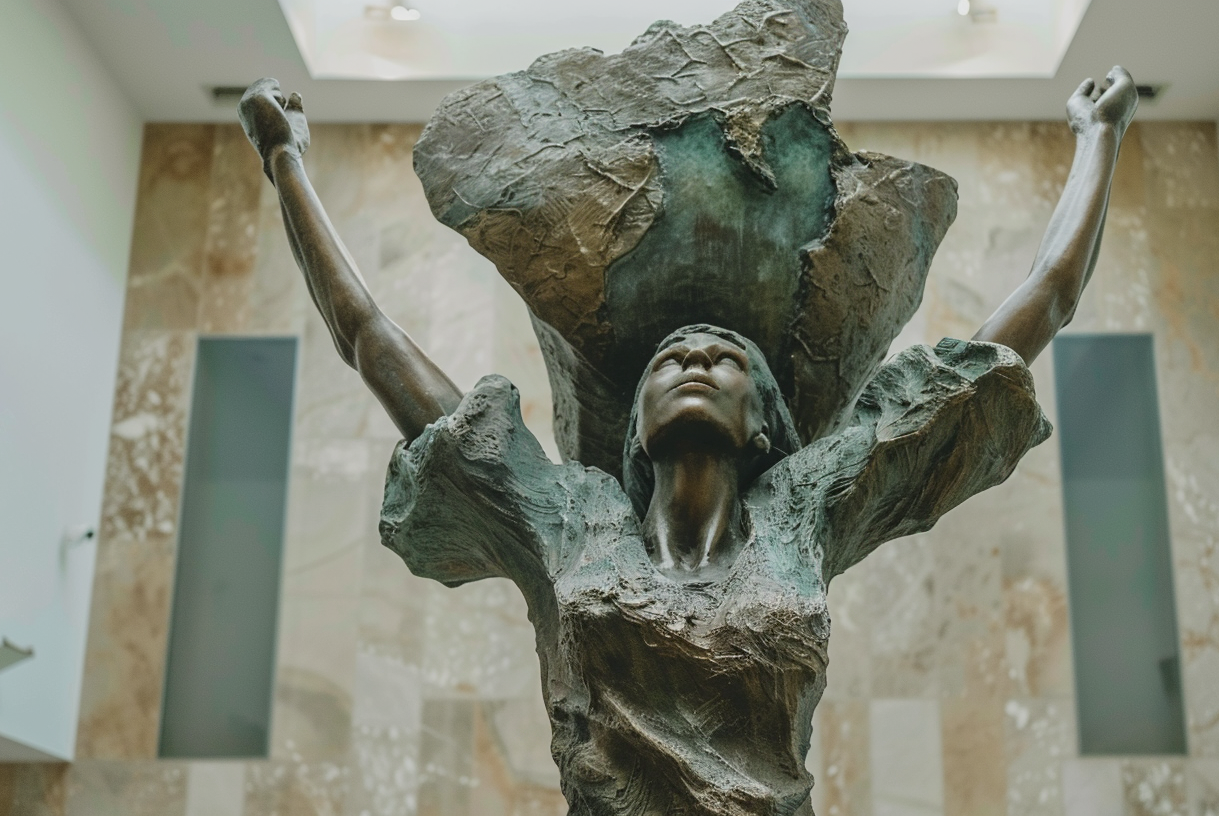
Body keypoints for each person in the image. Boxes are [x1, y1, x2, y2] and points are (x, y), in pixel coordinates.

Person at [239, 65, 1139, 816]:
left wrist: (1098, 136)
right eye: (672, 357)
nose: (697, 360)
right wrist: (287, 163)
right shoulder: (571, 519)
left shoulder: (805, 511)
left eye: (727, 359)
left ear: (764, 422)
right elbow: (372, 340)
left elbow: (1036, 310)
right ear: (634, 421)